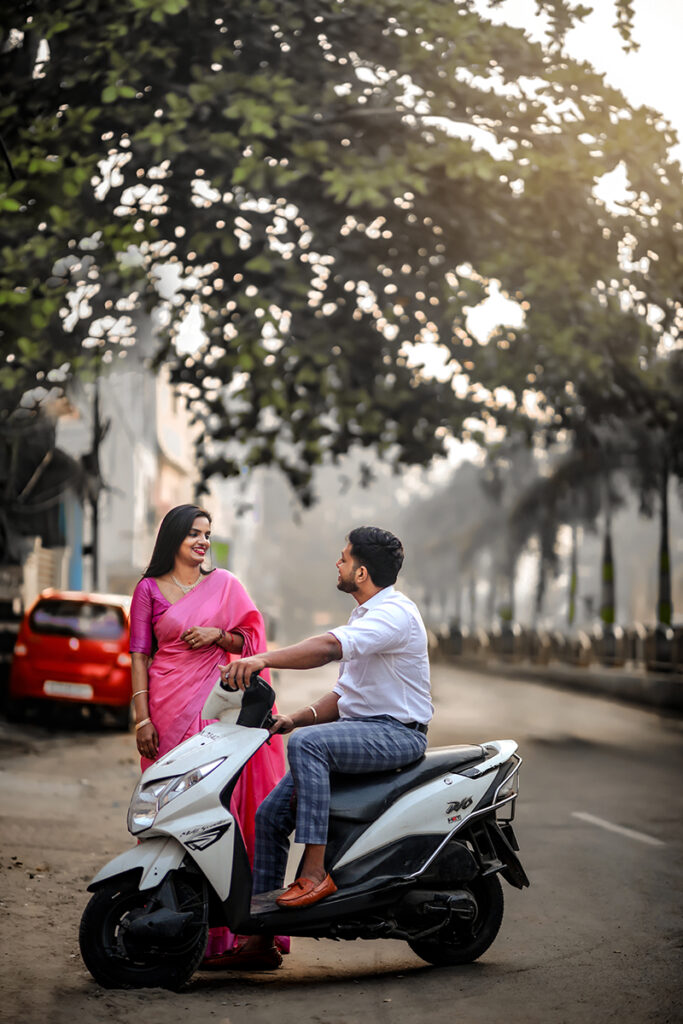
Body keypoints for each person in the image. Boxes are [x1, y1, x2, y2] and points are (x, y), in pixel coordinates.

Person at [220, 525, 432, 936]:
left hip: (397, 734)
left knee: (308, 747)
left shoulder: (393, 614)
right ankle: (260, 941)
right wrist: (293, 718)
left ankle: (315, 872)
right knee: (269, 817)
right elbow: (346, 695)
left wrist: (263, 660)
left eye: (344, 558)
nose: (338, 563)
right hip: (366, 728)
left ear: (362, 572)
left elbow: (330, 648)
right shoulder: (366, 614)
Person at [128, 503, 289, 969]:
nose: (203, 542)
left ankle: (229, 935)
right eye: (194, 534)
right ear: (173, 538)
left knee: (220, 811)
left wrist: (220, 635)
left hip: (220, 709)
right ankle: (172, 922)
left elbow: (252, 643)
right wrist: (142, 719)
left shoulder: (226, 585)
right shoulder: (148, 590)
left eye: (207, 534)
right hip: (166, 705)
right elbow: (139, 654)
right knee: (169, 807)